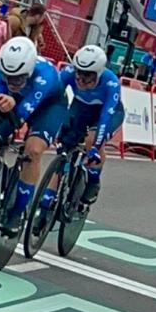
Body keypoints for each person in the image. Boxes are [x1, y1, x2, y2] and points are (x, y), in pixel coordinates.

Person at [0, 36, 68, 227]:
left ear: (28, 71)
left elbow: (23, 114)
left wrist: (11, 107)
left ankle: (18, 211)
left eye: (18, 78)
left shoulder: (45, 74)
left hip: (48, 107)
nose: (12, 82)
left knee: (33, 150)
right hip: (16, 102)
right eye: (8, 77)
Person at [58, 43, 124, 206]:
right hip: (81, 106)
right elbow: (54, 97)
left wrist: (95, 147)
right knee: (63, 149)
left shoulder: (111, 83)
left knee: (91, 140)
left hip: (107, 112)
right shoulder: (67, 73)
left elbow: (105, 117)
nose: (81, 81)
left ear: (99, 73)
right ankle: (46, 201)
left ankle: (93, 180)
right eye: (78, 74)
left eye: (88, 77)